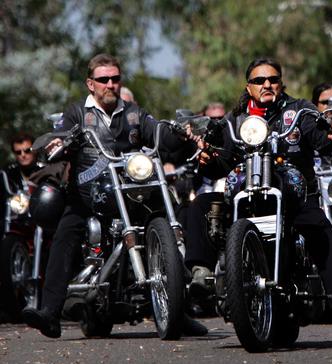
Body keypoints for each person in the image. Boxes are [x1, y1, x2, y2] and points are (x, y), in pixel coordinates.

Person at [21, 53, 206, 339]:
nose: (110, 84)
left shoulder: (132, 113)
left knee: (167, 221)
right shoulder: (77, 113)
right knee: (66, 233)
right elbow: (59, 135)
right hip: (87, 195)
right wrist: (58, 141)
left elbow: (156, 132)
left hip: (130, 191)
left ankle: (178, 311)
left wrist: (181, 133)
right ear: (90, 84)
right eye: (103, 79)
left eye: (115, 79)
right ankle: (50, 313)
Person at [193, 58, 332, 342]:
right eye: (259, 81)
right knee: (201, 205)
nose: (267, 84)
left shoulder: (299, 110)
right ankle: (200, 275)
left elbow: (320, 137)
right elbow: (223, 162)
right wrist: (207, 159)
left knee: (319, 227)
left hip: (293, 198)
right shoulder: (235, 120)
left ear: (281, 83)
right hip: (245, 194)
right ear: (248, 87)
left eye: (273, 79)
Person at [1, 133, 40, 237]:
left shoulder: (45, 171)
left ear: (34, 150)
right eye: (18, 152)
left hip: (41, 220)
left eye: (27, 150)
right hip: (16, 220)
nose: (23, 155)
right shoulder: (7, 173)